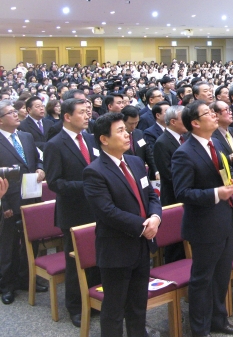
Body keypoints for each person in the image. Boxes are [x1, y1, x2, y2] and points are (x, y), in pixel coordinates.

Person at [83, 112, 162, 337]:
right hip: (116, 248)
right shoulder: (95, 171)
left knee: (138, 304)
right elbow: (106, 212)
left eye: (126, 130)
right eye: (120, 131)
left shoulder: (136, 162)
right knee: (114, 309)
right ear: (104, 139)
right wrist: (143, 226)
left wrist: (155, 217)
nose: (127, 135)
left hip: (142, 245)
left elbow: (152, 196)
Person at [172, 100, 233, 336]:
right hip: (203, 224)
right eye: (208, 113)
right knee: (203, 279)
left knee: (222, 276)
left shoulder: (216, 144)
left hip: (224, 219)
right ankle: (199, 328)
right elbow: (182, 192)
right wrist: (216, 193)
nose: (215, 115)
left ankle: (219, 320)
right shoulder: (184, 153)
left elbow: (225, 171)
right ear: (195, 122)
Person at [44, 98, 100, 328]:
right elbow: (55, 182)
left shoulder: (89, 138)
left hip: (96, 209)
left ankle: (95, 300)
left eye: (88, 112)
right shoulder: (55, 144)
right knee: (75, 262)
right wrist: (87, 186)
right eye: (82, 113)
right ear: (67, 116)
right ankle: (75, 307)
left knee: (97, 258)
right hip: (74, 211)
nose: (88, 116)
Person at [0, 100, 47, 305]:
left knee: (31, 241)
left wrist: (40, 168)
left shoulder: (26, 137)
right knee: (8, 245)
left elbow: (38, 159)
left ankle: (26, 278)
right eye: (10, 112)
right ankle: (6, 285)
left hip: (31, 196)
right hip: (8, 200)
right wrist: (4, 206)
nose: (16, 114)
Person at [153, 105, 187, 263]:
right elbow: (168, 174)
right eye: (184, 118)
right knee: (176, 243)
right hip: (174, 196)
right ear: (173, 121)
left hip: (187, 194)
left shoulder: (185, 138)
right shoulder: (162, 142)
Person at [122, 106, 159, 181]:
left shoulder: (139, 133)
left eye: (136, 123)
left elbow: (148, 153)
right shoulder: (117, 137)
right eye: (131, 123)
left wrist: (156, 171)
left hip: (141, 173)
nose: (134, 126)